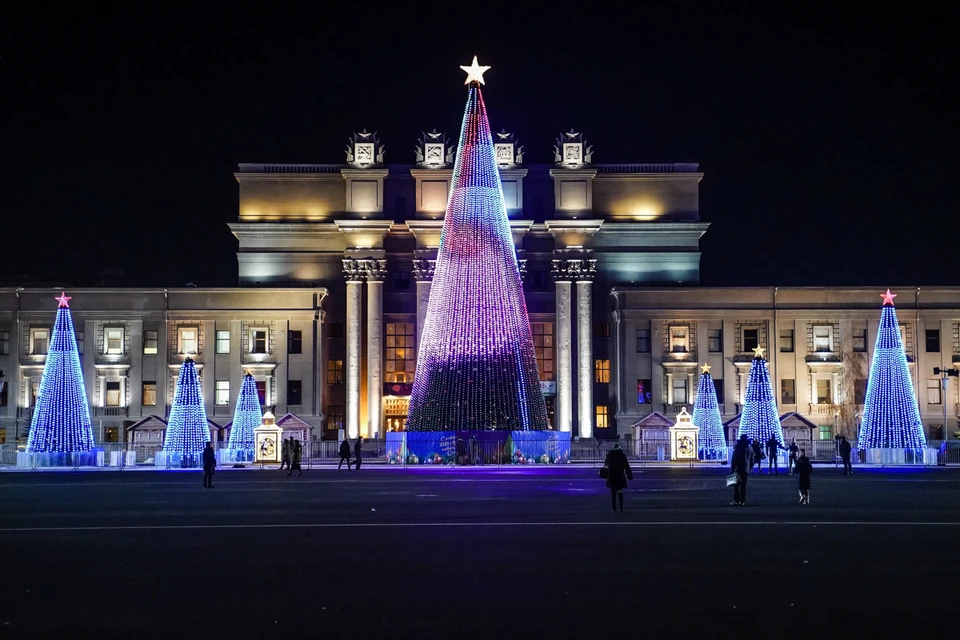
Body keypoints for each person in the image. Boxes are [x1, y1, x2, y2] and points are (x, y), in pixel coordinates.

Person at [603, 444, 633, 513]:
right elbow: (627, 467)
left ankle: (614, 509)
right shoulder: (622, 456)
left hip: (611, 476)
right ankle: (621, 508)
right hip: (620, 476)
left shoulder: (609, 455)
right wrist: (629, 476)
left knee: (613, 493)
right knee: (620, 492)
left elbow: (606, 464)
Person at [730, 435, 751, 506]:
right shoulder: (749, 448)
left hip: (737, 468)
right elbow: (752, 460)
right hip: (745, 469)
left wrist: (732, 469)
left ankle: (736, 500)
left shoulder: (737, 447)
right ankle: (742, 501)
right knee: (743, 486)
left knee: (735, 485)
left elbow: (734, 459)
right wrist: (749, 468)